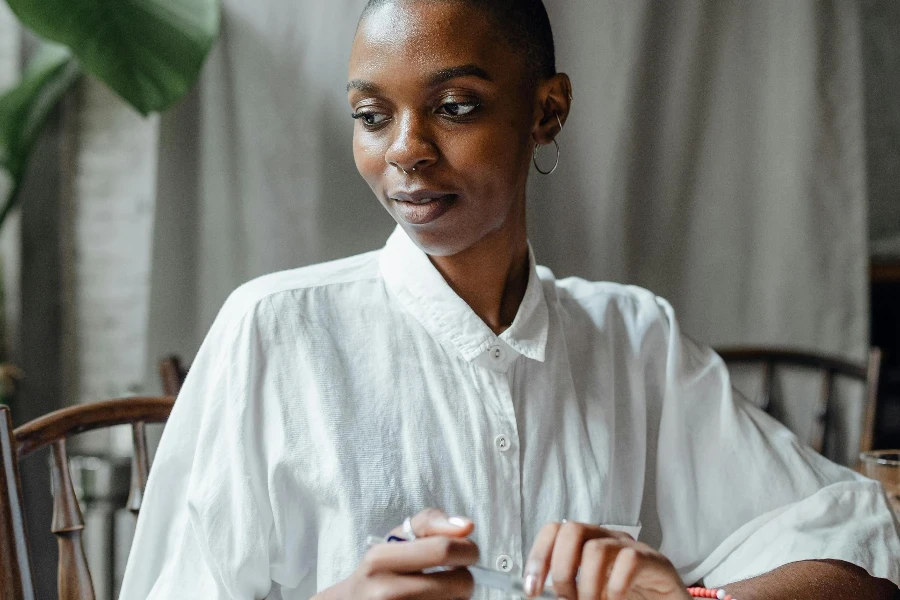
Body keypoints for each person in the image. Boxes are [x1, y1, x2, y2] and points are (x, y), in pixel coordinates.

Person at [120, 1, 900, 598]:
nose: (404, 151)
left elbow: (863, 539)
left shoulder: (632, 339)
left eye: (455, 106)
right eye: (371, 115)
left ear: (545, 110)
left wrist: (695, 597)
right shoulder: (274, 331)